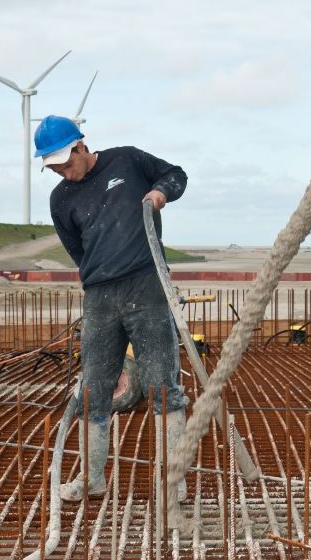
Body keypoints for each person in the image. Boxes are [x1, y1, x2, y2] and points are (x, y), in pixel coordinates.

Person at [33, 114, 189, 507]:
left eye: (68, 165)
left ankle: (173, 482)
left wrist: (160, 194)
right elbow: (78, 252)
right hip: (100, 297)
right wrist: (100, 276)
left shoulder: (128, 160)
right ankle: (91, 479)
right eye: (56, 170)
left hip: (147, 284)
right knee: (94, 390)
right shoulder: (61, 199)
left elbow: (175, 174)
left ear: (82, 148)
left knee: (161, 385)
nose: (65, 175)